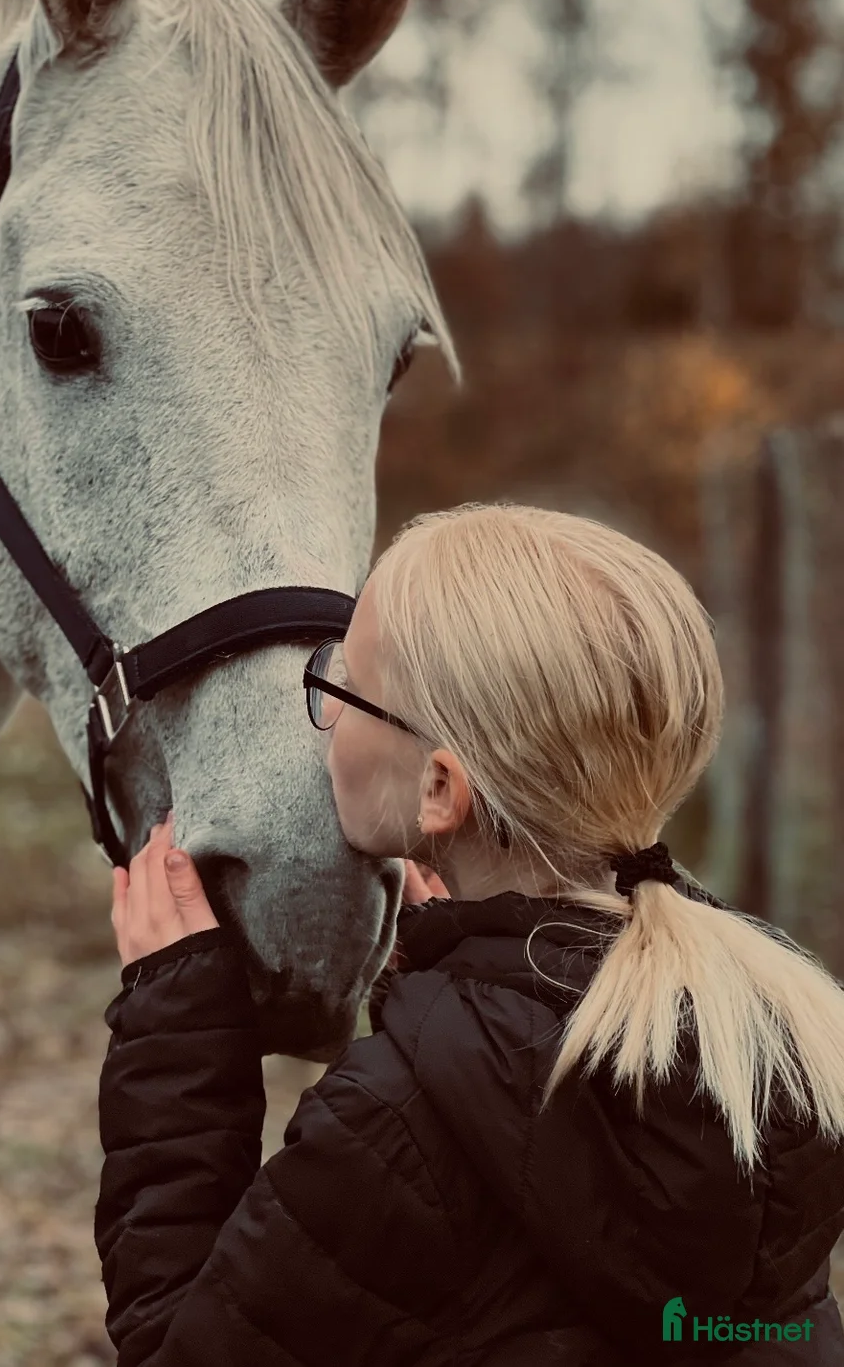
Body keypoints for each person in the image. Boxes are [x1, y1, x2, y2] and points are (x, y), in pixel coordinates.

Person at [95, 501, 844, 1366]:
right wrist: (456, 962)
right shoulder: (758, 1041)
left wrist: (177, 1042)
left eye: (343, 685)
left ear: (442, 793)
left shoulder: (396, 1125)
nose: (327, 716)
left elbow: (176, 1351)